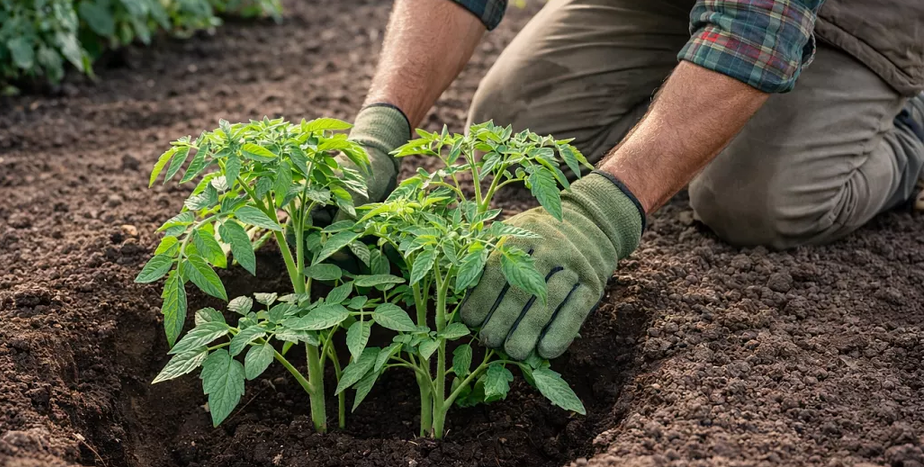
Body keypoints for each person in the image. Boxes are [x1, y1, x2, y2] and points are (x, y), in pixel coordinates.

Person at [344, 0, 924, 362]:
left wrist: (604, 211)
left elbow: (755, 28)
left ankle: (903, 128)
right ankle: (703, 89)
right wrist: (381, 124)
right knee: (520, 120)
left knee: (750, 201)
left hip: (852, 13)